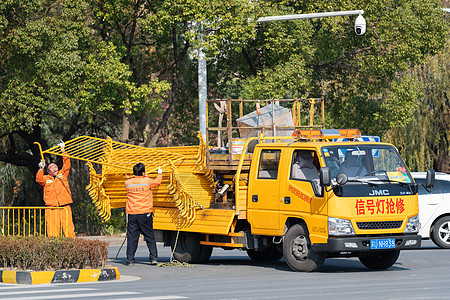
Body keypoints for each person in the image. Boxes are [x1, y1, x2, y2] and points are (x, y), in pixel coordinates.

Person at [125, 163, 163, 266]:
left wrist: (143, 175)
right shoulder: (147, 181)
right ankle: (153, 258)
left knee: (132, 238)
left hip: (132, 214)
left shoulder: (127, 183)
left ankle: (130, 260)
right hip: (145, 213)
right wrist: (159, 173)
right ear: (143, 172)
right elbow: (157, 182)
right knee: (149, 236)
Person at [36, 140, 75, 238]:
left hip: (65, 207)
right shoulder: (45, 179)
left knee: (69, 229)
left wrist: (63, 150)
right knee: (53, 232)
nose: (55, 168)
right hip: (52, 208)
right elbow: (38, 179)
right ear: (48, 171)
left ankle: (71, 247)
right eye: (52, 167)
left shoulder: (62, 175)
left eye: (56, 166)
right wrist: (41, 168)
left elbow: (67, 165)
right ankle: (54, 249)